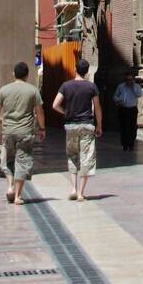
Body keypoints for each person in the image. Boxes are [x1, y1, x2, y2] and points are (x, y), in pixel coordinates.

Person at [0, 61, 45, 205]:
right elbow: (39, 112)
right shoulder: (33, 91)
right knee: (23, 161)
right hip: (25, 132)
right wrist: (42, 128)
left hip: (8, 131)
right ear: (27, 74)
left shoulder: (4, 90)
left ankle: (10, 186)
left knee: (8, 160)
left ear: (13, 74)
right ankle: (18, 196)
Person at [53, 58, 102, 201]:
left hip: (71, 126)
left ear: (75, 69)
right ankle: (81, 192)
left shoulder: (65, 86)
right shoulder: (91, 87)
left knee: (72, 156)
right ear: (87, 72)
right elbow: (97, 107)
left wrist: (66, 113)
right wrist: (99, 125)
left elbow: (55, 105)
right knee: (86, 157)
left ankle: (73, 188)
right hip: (87, 125)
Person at [113, 70, 143, 150]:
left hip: (132, 109)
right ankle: (124, 144)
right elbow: (115, 96)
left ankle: (131, 144)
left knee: (132, 127)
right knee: (123, 126)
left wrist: (133, 86)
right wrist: (118, 100)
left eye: (130, 80)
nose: (128, 82)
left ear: (133, 80)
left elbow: (139, 94)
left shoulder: (136, 86)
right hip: (123, 109)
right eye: (127, 80)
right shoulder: (121, 86)